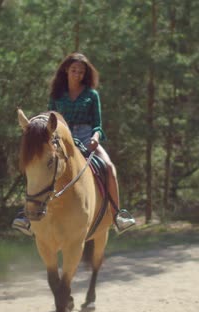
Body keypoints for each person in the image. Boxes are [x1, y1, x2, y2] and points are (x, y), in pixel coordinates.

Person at [12, 52, 136, 236]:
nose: (78, 74)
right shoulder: (57, 94)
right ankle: (27, 217)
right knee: (38, 165)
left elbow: (97, 123)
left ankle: (117, 215)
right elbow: (49, 120)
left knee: (108, 167)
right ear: (66, 70)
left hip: (87, 138)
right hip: (63, 140)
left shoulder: (92, 95)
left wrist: (95, 137)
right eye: (74, 70)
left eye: (81, 71)